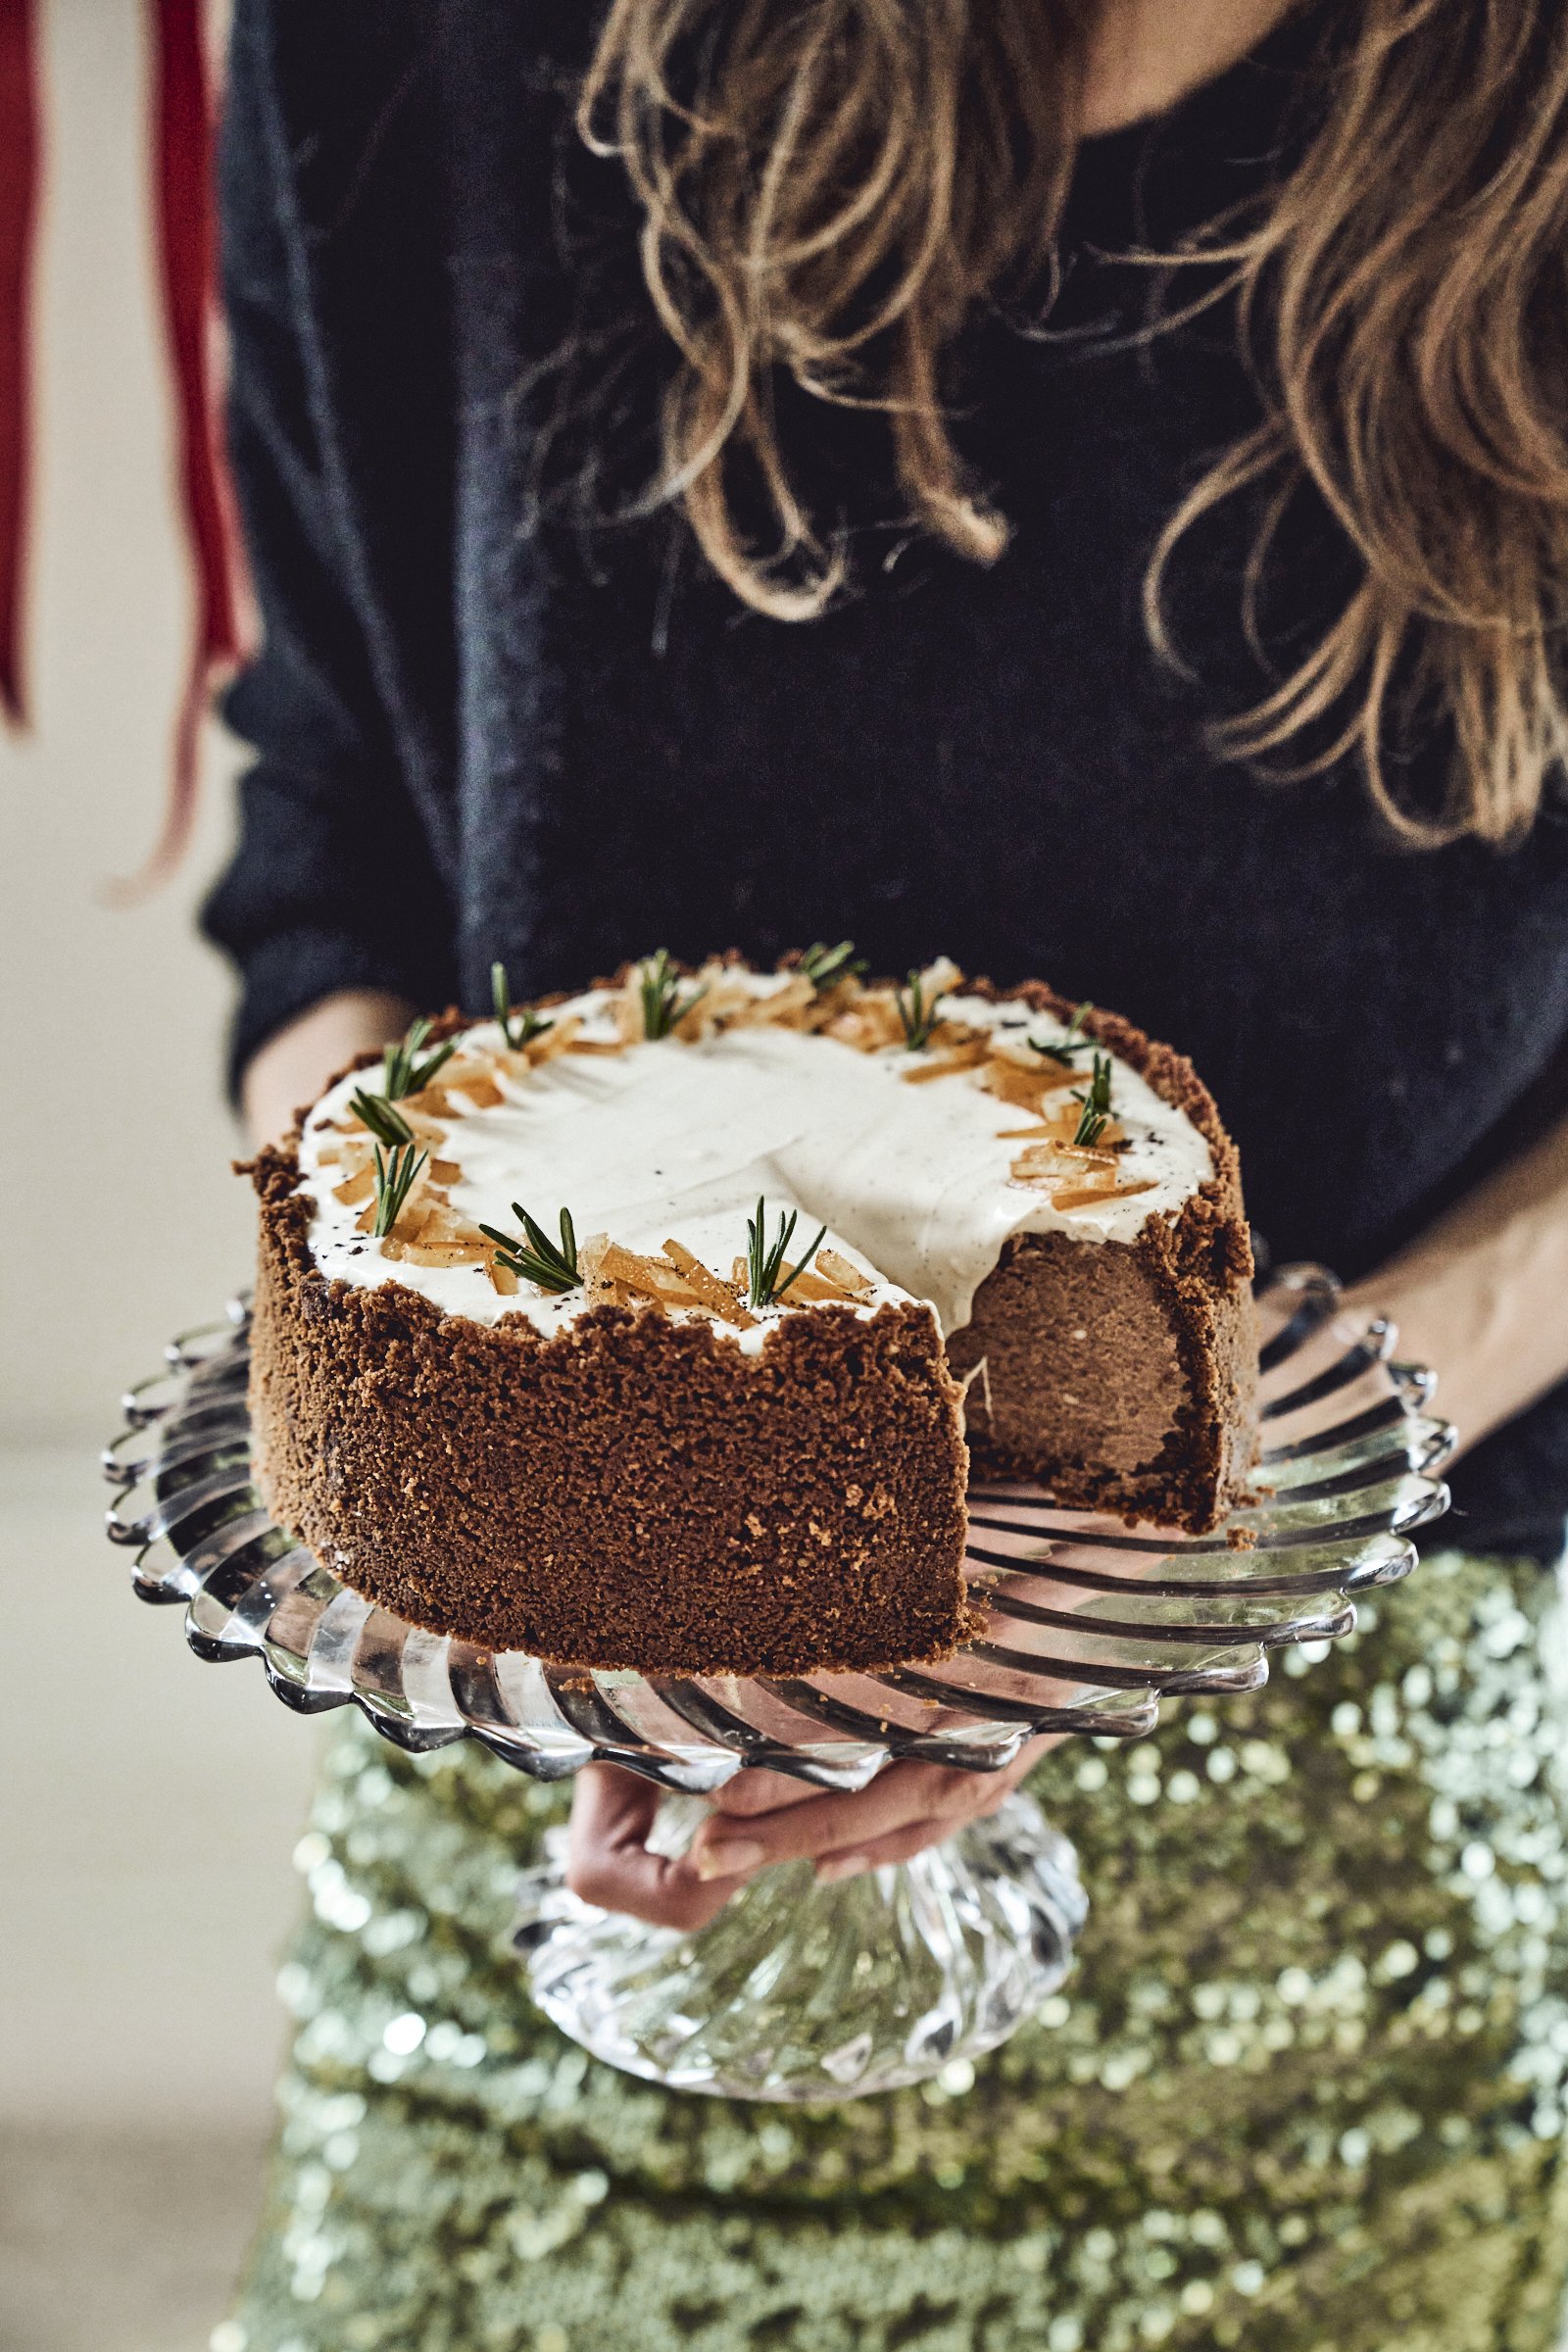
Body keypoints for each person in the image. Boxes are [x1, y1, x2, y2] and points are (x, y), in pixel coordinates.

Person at [208, 0, 1568, 2344]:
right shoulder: (403, 43)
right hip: (556, 1881)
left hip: (1338, 1933)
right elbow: (332, 850)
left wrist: (1264, 1458)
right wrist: (522, 1491)